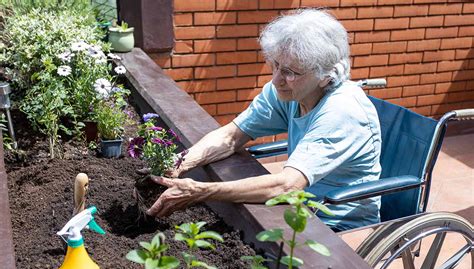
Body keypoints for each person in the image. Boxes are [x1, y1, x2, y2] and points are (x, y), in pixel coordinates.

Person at [147, 9, 382, 232]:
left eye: (291, 72)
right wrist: (179, 163)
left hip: (339, 226)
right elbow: (230, 136)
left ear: (325, 76)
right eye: (276, 65)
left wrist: (201, 191)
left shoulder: (341, 111)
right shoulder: (289, 92)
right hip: (299, 212)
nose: (277, 79)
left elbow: (287, 186)